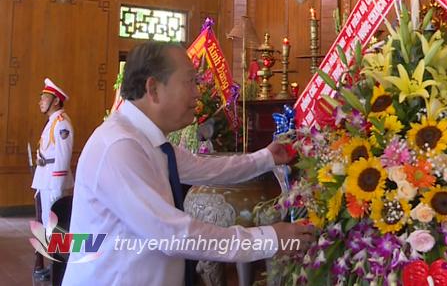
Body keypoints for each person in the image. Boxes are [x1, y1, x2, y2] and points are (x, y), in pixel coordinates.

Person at [62, 42, 314, 286]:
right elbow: (174, 235)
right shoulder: (119, 147)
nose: (197, 92)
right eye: (190, 81)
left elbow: (208, 168)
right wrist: (268, 238)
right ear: (153, 89)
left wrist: (268, 157)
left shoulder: (149, 141)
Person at [31, 78, 74, 226]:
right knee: (47, 220)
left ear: (55, 101)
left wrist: (57, 186)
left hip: (53, 180)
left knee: (54, 223)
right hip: (46, 177)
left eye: (44, 98)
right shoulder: (53, 121)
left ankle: (55, 249)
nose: (41, 102)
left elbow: (63, 157)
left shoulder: (61, 123)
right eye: (41, 98)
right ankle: (50, 248)